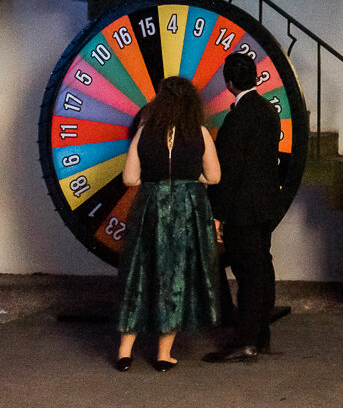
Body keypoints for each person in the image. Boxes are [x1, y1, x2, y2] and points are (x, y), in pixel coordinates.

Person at [115, 76, 222, 373]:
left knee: (140, 274)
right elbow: (214, 177)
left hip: (151, 207)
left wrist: (156, 181)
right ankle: (163, 355)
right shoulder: (199, 132)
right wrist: (189, 180)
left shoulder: (144, 132)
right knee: (176, 277)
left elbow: (129, 179)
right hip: (188, 210)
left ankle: (125, 352)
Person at [202, 52, 281, 364]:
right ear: (256, 78)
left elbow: (228, 172)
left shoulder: (236, 117)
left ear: (229, 82)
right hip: (264, 207)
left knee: (247, 275)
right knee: (262, 269)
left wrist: (217, 213)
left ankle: (245, 342)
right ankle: (261, 335)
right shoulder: (267, 111)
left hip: (242, 210)